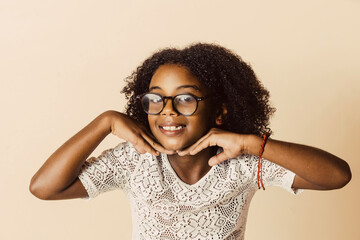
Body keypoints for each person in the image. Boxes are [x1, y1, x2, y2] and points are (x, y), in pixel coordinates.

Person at [30, 43, 351, 239]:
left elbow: (337, 175)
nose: (167, 111)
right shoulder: (135, 160)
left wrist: (252, 143)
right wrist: (105, 122)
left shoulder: (242, 164)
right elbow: (45, 187)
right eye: (155, 99)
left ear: (220, 111)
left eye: (185, 99)